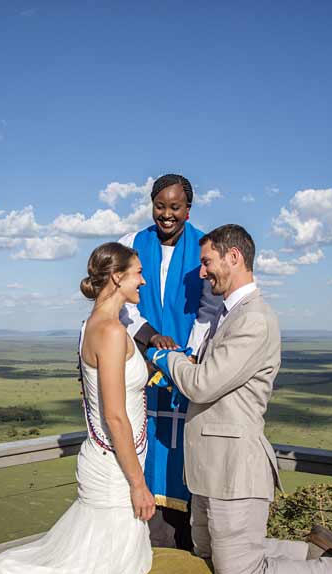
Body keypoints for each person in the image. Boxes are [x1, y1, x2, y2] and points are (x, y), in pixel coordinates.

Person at [148, 225, 332, 574]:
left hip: (234, 468)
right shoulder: (228, 315)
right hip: (209, 468)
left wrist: (163, 357)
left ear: (233, 257)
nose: (201, 272)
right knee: (210, 555)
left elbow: (203, 383)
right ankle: (315, 552)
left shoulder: (254, 318)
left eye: (206, 262)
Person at [0, 242, 154, 574]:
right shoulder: (112, 331)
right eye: (137, 273)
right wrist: (138, 483)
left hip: (109, 459)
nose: (143, 280)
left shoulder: (93, 324)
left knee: (112, 566)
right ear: (117, 277)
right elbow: (115, 416)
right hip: (114, 467)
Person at [118, 174, 223, 550]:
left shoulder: (204, 247)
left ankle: (182, 541)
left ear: (188, 210)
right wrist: (149, 337)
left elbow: (210, 309)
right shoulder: (133, 244)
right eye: (159, 206)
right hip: (141, 362)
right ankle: (140, 538)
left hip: (186, 367)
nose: (166, 214)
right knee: (140, 441)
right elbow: (123, 302)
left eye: (174, 207)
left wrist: (184, 354)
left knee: (181, 449)